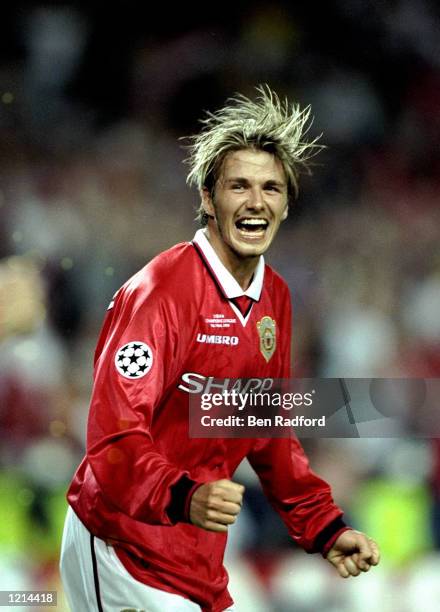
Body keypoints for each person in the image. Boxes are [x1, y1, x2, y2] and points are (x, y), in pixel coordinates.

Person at [60, 85, 380, 612]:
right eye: (240, 186)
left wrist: (323, 526)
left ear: (285, 204)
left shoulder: (274, 297)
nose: (256, 202)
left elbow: (266, 430)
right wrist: (181, 495)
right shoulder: (159, 293)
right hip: (123, 547)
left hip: (197, 562)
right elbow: (113, 435)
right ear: (209, 199)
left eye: (272, 188)